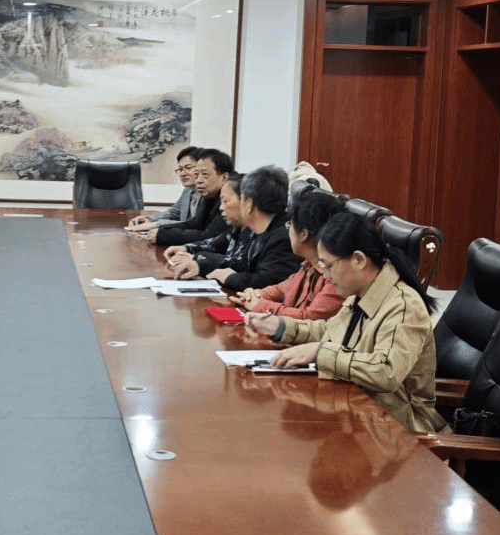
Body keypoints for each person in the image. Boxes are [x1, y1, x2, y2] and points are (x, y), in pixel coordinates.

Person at [244, 212, 447, 434]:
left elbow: (386, 372)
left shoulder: (404, 306)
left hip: (398, 427)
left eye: (329, 265)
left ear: (358, 260)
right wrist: (281, 326)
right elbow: (330, 331)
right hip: (358, 411)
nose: (325, 275)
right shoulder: (362, 290)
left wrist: (321, 352)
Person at [231, 188, 345, 321]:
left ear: (303, 234)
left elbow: (308, 318)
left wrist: (260, 305)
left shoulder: (335, 276)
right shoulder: (309, 265)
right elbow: (281, 289)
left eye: (290, 224)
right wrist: (255, 295)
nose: (288, 230)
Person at [189, 165, 302, 292]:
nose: (221, 207)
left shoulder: (283, 236)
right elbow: (242, 265)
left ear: (249, 203)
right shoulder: (259, 230)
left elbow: (270, 282)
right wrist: (202, 266)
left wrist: (230, 278)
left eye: (241, 199)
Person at [164, 172, 250, 280]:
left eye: (225, 201)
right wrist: (186, 248)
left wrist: (198, 259)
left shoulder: (257, 234)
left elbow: (240, 264)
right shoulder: (237, 229)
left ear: (247, 202)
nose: (221, 208)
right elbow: (212, 244)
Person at [150, 148, 234, 246]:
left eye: (204, 174)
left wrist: (162, 235)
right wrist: (158, 229)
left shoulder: (233, 196)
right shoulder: (210, 194)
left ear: (224, 177)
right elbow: (194, 224)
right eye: (196, 175)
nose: (198, 180)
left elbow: (208, 237)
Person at [127, 146, 201, 235]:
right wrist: (149, 219)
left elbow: (194, 225)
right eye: (180, 169)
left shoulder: (209, 195)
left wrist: (156, 224)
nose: (183, 174)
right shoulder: (187, 191)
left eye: (188, 168)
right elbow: (174, 211)